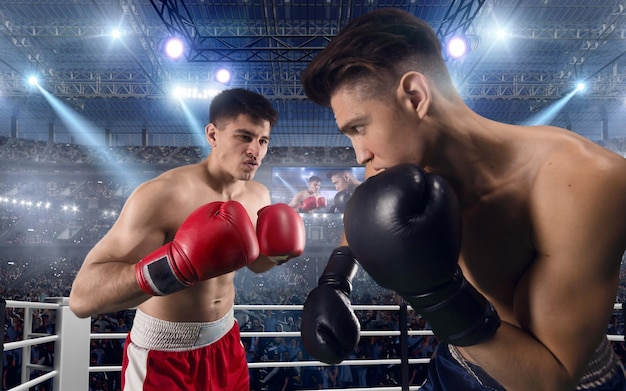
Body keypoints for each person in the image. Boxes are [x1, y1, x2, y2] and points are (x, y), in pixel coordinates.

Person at [300, 8, 626, 391]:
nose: (359, 155)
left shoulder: (583, 182)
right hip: (460, 358)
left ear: (415, 96)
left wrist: (435, 295)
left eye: (359, 128)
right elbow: (367, 213)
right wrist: (335, 280)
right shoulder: (398, 162)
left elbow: (550, 377)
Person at [69, 88, 306, 391]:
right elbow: (81, 298)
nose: (255, 150)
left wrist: (276, 254)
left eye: (263, 141)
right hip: (163, 354)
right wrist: (175, 266)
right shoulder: (163, 194)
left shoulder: (259, 195)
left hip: (225, 343)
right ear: (212, 134)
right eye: (244, 137)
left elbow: (256, 266)